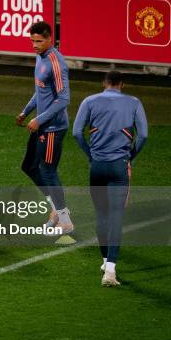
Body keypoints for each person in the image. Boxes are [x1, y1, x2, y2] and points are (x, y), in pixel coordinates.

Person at [72, 71, 148, 287]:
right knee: (116, 217)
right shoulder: (134, 102)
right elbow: (143, 135)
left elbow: (77, 133)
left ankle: (105, 260)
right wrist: (130, 156)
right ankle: (111, 271)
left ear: (104, 83)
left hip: (96, 166)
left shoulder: (89, 101)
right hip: (119, 167)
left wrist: (90, 154)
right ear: (121, 84)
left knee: (101, 215)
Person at [15, 21, 74, 234]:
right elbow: (40, 91)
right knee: (29, 166)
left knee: (48, 171)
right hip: (41, 125)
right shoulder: (39, 58)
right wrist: (25, 111)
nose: (34, 45)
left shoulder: (56, 64)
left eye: (39, 41)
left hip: (53, 129)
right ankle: (55, 209)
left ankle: (65, 219)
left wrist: (39, 120)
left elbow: (63, 99)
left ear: (50, 39)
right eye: (32, 41)